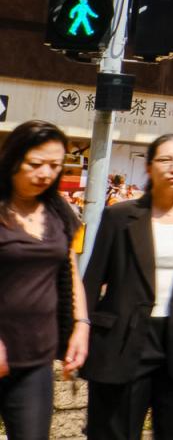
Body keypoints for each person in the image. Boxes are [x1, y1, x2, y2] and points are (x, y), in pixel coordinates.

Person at [81, 133, 173, 440]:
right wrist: (77, 334)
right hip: (123, 340)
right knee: (114, 432)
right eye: (165, 159)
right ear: (148, 167)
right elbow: (92, 280)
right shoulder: (119, 217)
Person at [0, 120, 89, 440]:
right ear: (13, 160)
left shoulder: (59, 209)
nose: (46, 174)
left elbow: (69, 270)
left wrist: (81, 325)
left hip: (36, 359)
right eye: (35, 164)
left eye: (55, 165)